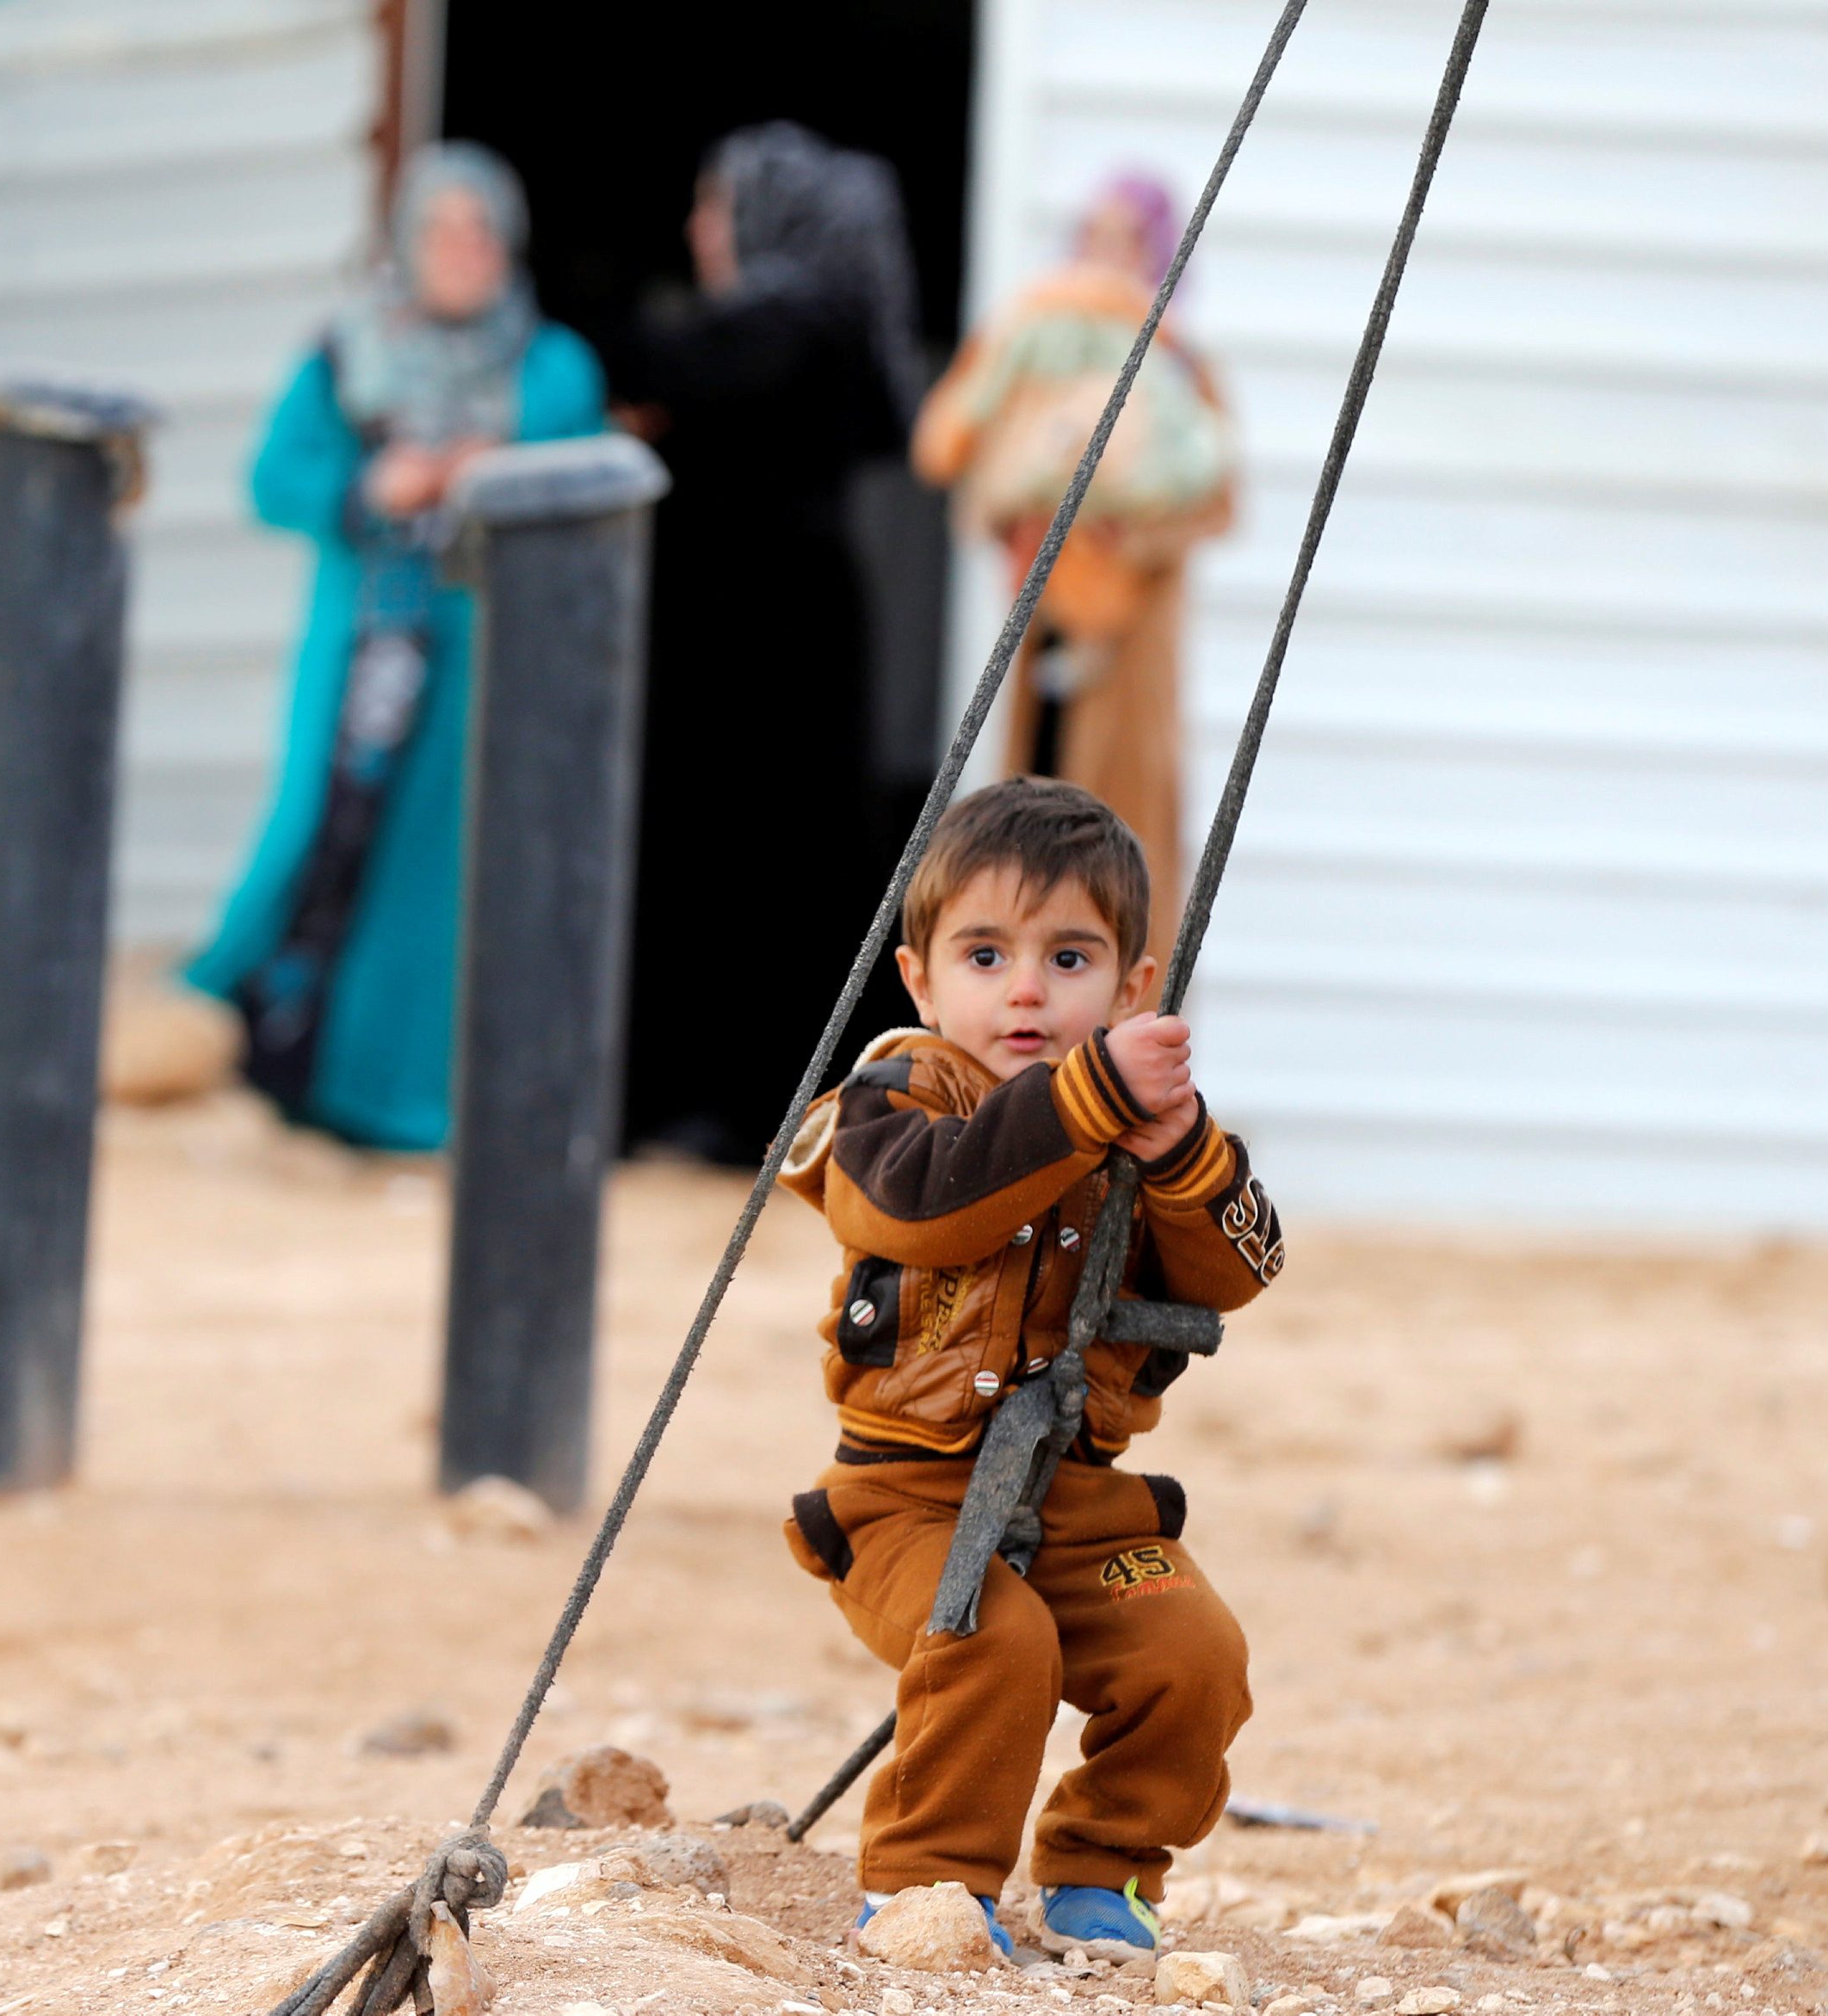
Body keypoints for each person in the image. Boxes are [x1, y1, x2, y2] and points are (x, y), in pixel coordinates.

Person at [775, 778, 1281, 1950]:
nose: (1025, 990)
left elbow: (1237, 1268)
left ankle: (1104, 1868)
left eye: (1069, 958)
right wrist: (1086, 1099)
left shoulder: (1145, 1126)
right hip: (903, 1500)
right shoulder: (895, 1100)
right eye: (986, 953)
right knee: (993, 1637)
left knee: (1192, 1651)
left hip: (1080, 1505)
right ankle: (929, 1889)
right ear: (920, 975)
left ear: (1133, 988)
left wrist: (1182, 1156)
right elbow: (929, 1206)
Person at [186, 143, 605, 1150]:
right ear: (404, 242)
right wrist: (370, 489)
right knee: (313, 837)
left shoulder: (546, 363)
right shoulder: (347, 353)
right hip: (363, 657)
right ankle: (249, 1052)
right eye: (441, 229)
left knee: (442, 877)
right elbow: (272, 477)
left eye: (481, 231)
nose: (463, 251)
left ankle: (403, 1101)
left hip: (487, 666)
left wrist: (486, 468)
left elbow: (579, 475)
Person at [607, 121, 921, 1167]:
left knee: (752, 858)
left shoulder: (793, 323)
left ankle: (741, 1106)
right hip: (774, 628)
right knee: (763, 856)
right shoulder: (811, 325)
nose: (700, 231)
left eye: (715, 206)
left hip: (761, 640)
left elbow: (641, 358)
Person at [913, 176, 1235, 959]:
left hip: (1129, 649)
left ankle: (1125, 1027)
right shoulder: (1035, 347)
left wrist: (1123, 528)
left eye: (1123, 239)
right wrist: (1023, 508)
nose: (1103, 256)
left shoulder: (1179, 367)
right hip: (1045, 632)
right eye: (1092, 235)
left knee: (1125, 844)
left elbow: (1214, 500)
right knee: (1036, 828)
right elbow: (971, 473)